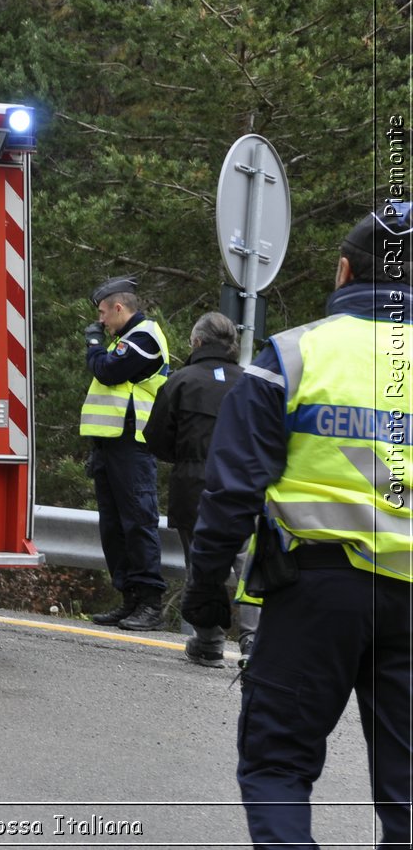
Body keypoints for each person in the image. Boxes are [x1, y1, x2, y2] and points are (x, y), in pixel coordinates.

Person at [183, 202, 412, 850]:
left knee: (277, 766)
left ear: (344, 270)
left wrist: (205, 592)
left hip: (316, 592)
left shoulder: (291, 356)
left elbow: (228, 493)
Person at [142, 310, 256, 666]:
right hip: (243, 482)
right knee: (249, 562)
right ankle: (255, 641)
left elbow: (157, 439)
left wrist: (187, 457)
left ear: (197, 342)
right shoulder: (252, 382)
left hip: (194, 483)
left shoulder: (180, 381)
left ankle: (209, 642)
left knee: (203, 564)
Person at [80, 275, 171, 630]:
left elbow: (107, 370)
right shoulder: (128, 338)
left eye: (103, 313)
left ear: (119, 308)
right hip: (111, 443)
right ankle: (129, 599)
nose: (101, 321)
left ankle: (150, 603)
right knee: (114, 527)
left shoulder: (145, 336)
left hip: (133, 444)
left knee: (138, 522)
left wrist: (93, 344)